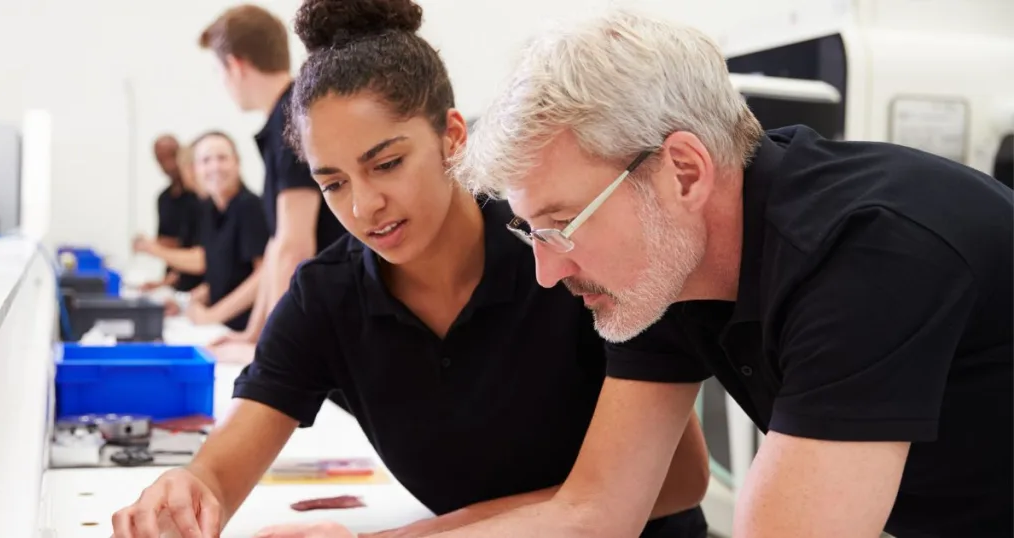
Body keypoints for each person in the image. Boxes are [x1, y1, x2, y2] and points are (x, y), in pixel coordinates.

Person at [110, 2, 712, 537]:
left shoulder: (561, 253)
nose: (363, 207)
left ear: (453, 136)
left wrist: (434, 531)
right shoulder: (327, 296)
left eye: (388, 163)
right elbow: (219, 468)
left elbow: (681, 480)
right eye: (334, 183)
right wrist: (189, 493)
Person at [433, 9, 1014, 538]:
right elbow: (596, 511)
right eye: (530, 230)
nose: (545, 271)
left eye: (562, 223)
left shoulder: (866, 255)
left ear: (684, 172)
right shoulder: (665, 265)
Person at [197, 4, 348, 346]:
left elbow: (295, 247)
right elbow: (277, 244)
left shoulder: (293, 117)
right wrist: (253, 336)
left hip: (337, 313)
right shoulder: (285, 115)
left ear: (235, 66)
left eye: (218, 72)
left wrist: (272, 353)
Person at [134, 132, 268, 331]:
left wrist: (213, 315)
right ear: (195, 169)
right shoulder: (210, 211)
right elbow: (223, 277)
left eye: (222, 158)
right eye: (206, 160)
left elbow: (264, 277)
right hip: (220, 326)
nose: (215, 166)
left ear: (237, 163)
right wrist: (184, 302)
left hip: (245, 329)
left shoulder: (249, 207)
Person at [140, 134, 205, 292]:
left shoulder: (202, 203)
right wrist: (164, 283)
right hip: (183, 287)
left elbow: (203, 259)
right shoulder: (163, 199)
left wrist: (154, 248)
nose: (169, 165)